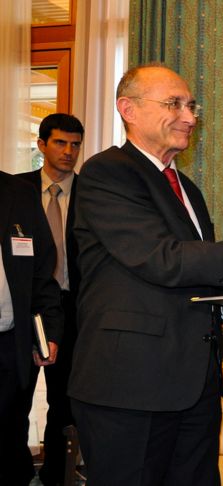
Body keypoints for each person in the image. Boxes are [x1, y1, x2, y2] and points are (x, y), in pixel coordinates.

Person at [66, 64, 223, 486]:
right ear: (128, 109)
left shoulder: (188, 189)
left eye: (192, 106)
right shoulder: (107, 172)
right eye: (174, 104)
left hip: (195, 385)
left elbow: (187, 271)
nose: (190, 117)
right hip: (130, 386)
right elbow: (161, 258)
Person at [16, 113, 84, 486]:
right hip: (24, 309)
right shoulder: (16, 190)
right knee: (15, 396)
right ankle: (18, 471)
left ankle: (58, 476)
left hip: (73, 310)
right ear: (42, 145)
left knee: (64, 401)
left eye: (75, 144)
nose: (68, 151)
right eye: (60, 142)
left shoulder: (92, 194)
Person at [0, 171, 64, 486]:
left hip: (11, 341)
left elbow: (42, 273)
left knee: (10, 433)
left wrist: (48, 332)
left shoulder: (20, 193)